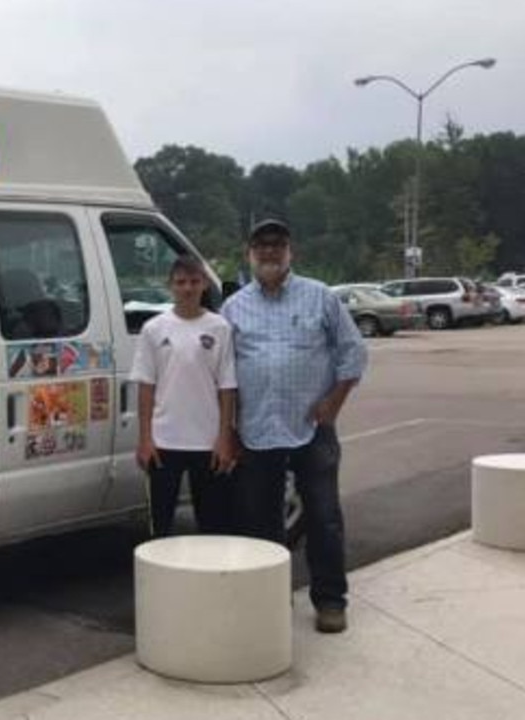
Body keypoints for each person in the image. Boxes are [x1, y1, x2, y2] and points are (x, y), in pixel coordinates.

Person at [221, 219, 367, 634]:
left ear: (291, 251)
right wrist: (228, 428)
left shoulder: (320, 297)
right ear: (249, 252)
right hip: (256, 429)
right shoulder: (233, 307)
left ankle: (330, 601)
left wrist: (334, 402)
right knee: (261, 520)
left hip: (311, 428)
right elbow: (224, 374)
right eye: (261, 245)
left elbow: (353, 352)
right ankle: (268, 598)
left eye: (277, 244)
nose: (269, 251)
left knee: (323, 516)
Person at [131, 256, 238, 537]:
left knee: (212, 524)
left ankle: (209, 578)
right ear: (171, 286)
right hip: (164, 442)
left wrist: (225, 438)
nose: (188, 288)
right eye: (181, 282)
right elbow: (146, 386)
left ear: (204, 284)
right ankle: (160, 579)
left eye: (194, 281)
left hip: (208, 442)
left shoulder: (220, 328)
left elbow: (227, 387)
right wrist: (145, 438)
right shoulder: (154, 329)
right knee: (161, 525)